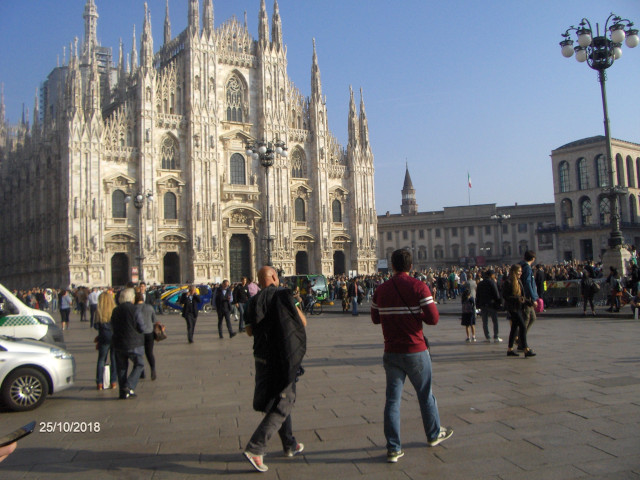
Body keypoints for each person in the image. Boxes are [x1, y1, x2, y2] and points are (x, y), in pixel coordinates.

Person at [371, 249, 453, 463]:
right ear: (411, 266)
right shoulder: (419, 286)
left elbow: (375, 318)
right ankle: (434, 434)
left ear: (392, 265)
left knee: (392, 401)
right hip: (415, 350)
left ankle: (393, 448)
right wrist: (416, 314)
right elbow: (433, 319)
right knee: (425, 394)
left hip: (391, 351)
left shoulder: (381, 289)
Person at [243, 266, 307, 473]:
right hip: (281, 357)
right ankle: (256, 447)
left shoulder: (252, 301)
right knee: (284, 402)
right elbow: (302, 322)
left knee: (279, 398)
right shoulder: (284, 295)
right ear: (273, 277)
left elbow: (249, 332)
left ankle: (289, 444)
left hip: (261, 357)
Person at [111, 287, 145, 399]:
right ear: (132, 298)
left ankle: (122, 392)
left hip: (119, 343)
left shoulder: (115, 310)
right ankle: (128, 386)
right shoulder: (135, 310)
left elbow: (113, 326)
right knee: (139, 364)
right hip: (133, 343)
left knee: (121, 368)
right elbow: (141, 327)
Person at [502, 264, 536, 358]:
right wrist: (516, 299)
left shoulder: (519, 281)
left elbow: (522, 296)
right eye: (519, 271)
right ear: (513, 272)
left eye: (521, 271)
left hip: (519, 307)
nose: (520, 273)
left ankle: (510, 349)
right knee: (522, 326)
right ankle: (526, 349)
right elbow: (505, 296)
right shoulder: (508, 282)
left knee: (514, 329)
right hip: (512, 308)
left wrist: (530, 302)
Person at [95, 291, 118, 390]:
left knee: (101, 360)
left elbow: (95, 326)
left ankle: (100, 383)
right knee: (114, 359)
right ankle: (113, 382)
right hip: (114, 337)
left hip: (103, 337)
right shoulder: (115, 310)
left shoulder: (98, 311)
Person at [475, 269, 502, 342]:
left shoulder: (480, 283)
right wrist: (499, 303)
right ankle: (496, 337)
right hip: (492, 304)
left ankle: (487, 337)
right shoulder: (492, 282)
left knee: (485, 322)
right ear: (491, 275)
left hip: (483, 305)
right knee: (495, 321)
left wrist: (477, 305)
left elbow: (477, 295)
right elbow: (496, 294)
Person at [135, 291, 157, 381]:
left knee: (139, 353)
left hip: (138, 334)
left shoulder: (134, 308)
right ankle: (153, 369)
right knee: (149, 353)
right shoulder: (149, 307)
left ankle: (142, 372)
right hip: (149, 333)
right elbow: (154, 320)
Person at [519, 250, 539, 334]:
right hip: (527, 297)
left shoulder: (522, 266)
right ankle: (520, 338)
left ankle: (520, 337)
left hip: (525, 295)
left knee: (532, 317)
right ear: (533, 259)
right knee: (527, 317)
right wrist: (533, 298)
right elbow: (528, 283)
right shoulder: (527, 268)